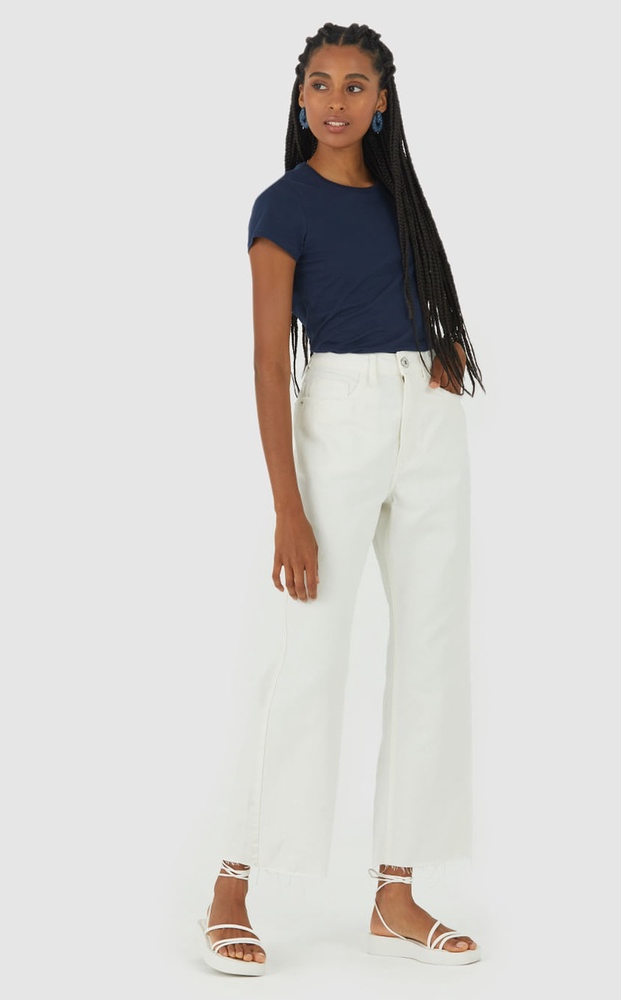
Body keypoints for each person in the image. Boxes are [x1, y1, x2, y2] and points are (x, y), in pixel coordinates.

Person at [198, 22, 486, 976]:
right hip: (340, 421)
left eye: (355, 85)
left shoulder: (401, 194)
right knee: (303, 650)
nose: (335, 100)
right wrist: (289, 506)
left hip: (426, 420)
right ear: (299, 97)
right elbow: (266, 361)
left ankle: (395, 891)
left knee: (432, 646)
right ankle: (231, 881)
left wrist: (440, 350)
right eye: (319, 83)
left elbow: (411, 292)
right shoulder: (283, 205)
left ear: (382, 101)